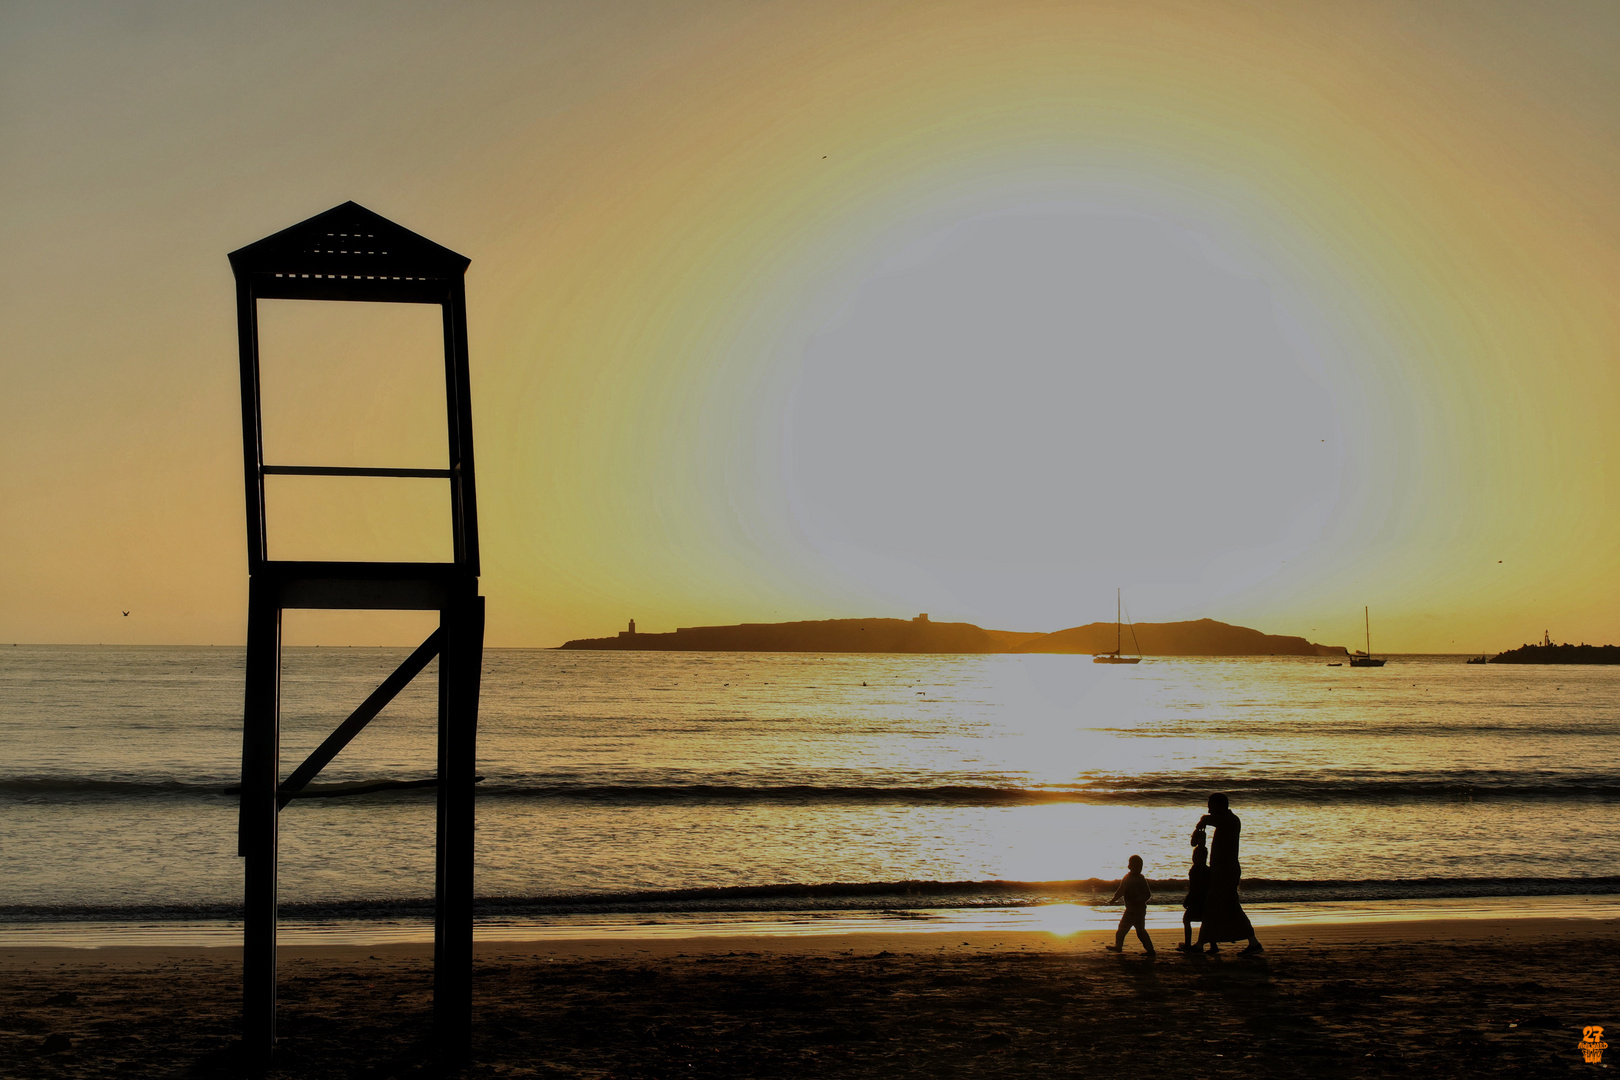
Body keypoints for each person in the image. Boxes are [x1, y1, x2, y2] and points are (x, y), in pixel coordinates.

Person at [1194, 793, 1263, 954]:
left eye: (1211, 804)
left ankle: (1200, 945)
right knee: (1226, 907)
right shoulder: (1226, 821)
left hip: (1226, 872)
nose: (1209, 808)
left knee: (1215, 906)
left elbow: (1212, 819)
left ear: (1219, 805)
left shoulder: (1231, 820)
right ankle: (1252, 943)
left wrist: (1203, 819)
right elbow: (1213, 820)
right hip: (1222, 872)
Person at [1104, 855, 1155, 955]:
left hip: (1136, 910)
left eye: (1139, 867)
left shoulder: (1140, 879)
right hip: (1134, 909)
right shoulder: (1128, 878)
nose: (1138, 869)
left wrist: (1138, 900)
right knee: (1138, 931)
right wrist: (1114, 899)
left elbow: (1147, 894)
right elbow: (1121, 890)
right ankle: (1150, 950)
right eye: (1136, 866)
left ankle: (1119, 947)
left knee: (1125, 929)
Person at [1178, 826, 1210, 952]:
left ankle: (1187, 944)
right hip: (1205, 899)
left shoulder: (1196, 869)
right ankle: (1212, 945)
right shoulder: (1207, 869)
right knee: (1206, 921)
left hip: (1197, 899)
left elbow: (1194, 887)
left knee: (1187, 919)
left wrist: (1188, 899)